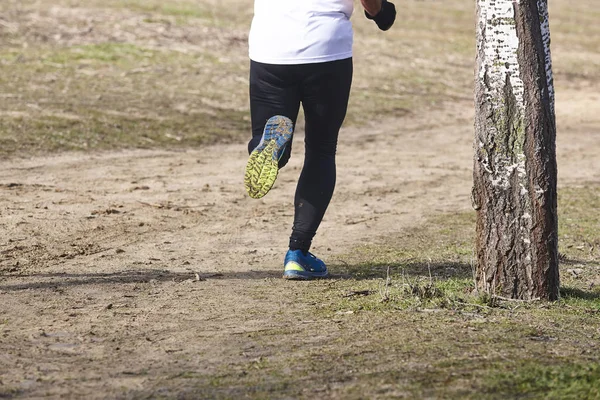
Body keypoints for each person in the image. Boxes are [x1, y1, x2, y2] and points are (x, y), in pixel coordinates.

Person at [244, 0, 396, 280]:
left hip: (270, 46)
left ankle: (271, 149)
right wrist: (381, 12)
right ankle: (297, 255)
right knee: (321, 149)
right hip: (326, 50)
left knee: (267, 136)